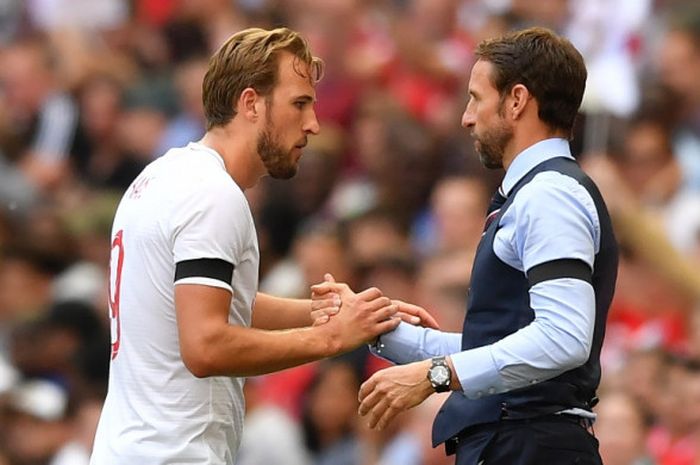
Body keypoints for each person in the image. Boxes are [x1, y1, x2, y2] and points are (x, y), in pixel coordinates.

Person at [89, 27, 435, 465]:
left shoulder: (160, 178)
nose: (313, 124)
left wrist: (328, 313)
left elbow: (215, 304)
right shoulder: (213, 195)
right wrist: (329, 337)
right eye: (299, 104)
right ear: (250, 103)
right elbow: (206, 345)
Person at [339, 27, 618, 465]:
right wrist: (377, 331)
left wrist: (435, 375)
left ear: (517, 100)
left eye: (476, 98)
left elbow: (564, 339)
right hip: (519, 443)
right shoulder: (535, 193)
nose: (466, 117)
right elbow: (500, 345)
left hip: (531, 445)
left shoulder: (550, 195)